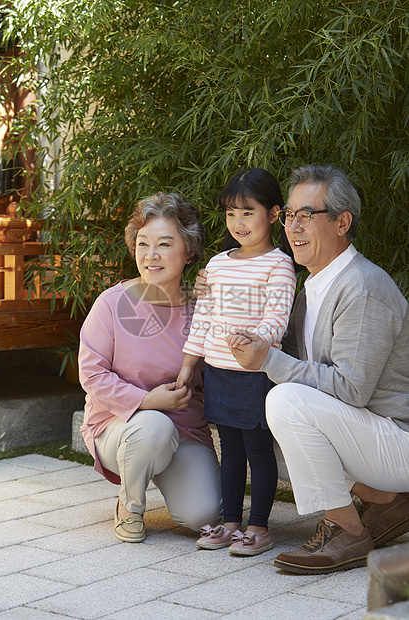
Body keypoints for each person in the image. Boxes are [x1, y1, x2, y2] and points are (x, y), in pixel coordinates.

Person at [223, 164, 409, 574]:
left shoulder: (360, 287)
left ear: (343, 222)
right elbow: (293, 363)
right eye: (289, 215)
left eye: (308, 214)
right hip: (368, 438)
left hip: (398, 437)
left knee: (286, 399)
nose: (294, 226)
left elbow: (350, 389)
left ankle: (346, 530)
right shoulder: (312, 287)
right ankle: (386, 499)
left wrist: (268, 359)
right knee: (256, 421)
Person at [78, 192, 222, 543]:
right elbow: (92, 374)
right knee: (154, 427)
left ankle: (159, 473)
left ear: (188, 252)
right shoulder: (113, 304)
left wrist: (221, 295)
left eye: (164, 244)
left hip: (185, 431)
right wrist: (147, 402)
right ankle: (130, 505)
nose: (151, 255)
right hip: (121, 427)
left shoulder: (203, 307)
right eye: (143, 244)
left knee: (201, 515)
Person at [176, 168, 297, 556]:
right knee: (229, 448)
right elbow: (204, 318)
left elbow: (277, 316)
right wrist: (188, 365)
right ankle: (230, 523)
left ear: (274, 214)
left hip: (256, 372)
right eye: (231, 214)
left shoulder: (279, 264)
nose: (238, 223)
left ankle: (259, 527)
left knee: (258, 450)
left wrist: (257, 340)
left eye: (248, 212)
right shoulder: (216, 264)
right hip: (218, 371)